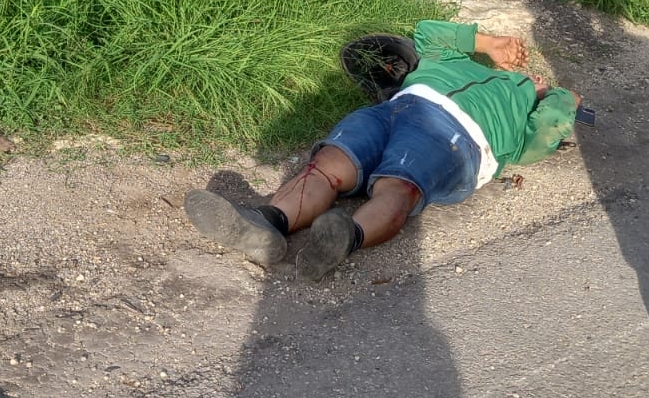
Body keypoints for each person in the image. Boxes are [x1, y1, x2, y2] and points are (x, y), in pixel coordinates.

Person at [184, 21, 579, 281]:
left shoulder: (521, 109)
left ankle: (345, 238)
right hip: (394, 110)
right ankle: (267, 224)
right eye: (532, 74)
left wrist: (561, 97)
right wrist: (490, 44)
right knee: (330, 164)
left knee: (399, 185)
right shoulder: (459, 64)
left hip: (460, 135)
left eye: (539, 80)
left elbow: (547, 131)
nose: (533, 75)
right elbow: (429, 33)